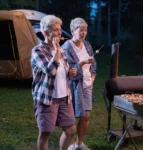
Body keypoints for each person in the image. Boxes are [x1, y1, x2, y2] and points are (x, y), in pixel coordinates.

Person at [30, 15, 77, 150]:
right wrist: (56, 50)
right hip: (47, 99)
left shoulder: (61, 50)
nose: (60, 32)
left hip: (64, 98)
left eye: (60, 29)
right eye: (56, 30)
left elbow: (62, 71)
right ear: (46, 33)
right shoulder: (38, 50)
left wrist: (70, 73)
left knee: (70, 130)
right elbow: (50, 71)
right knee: (45, 133)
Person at [62, 18, 97, 150]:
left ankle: (79, 143)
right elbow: (70, 70)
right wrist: (81, 63)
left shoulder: (87, 44)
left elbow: (93, 63)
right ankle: (69, 144)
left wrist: (93, 77)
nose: (83, 33)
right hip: (74, 86)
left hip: (88, 85)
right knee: (71, 118)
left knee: (86, 116)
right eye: (80, 30)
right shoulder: (67, 47)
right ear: (72, 31)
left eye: (85, 30)